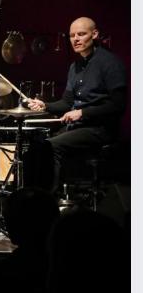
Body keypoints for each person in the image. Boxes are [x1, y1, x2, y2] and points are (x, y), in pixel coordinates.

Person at [26, 17, 126, 191]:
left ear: (94, 35)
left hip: (100, 128)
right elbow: (67, 102)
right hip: (79, 127)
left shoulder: (110, 62)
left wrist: (82, 113)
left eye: (81, 34)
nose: (76, 39)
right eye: (72, 35)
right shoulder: (75, 66)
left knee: (52, 147)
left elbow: (118, 105)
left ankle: (49, 202)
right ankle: (32, 198)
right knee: (35, 146)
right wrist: (45, 106)